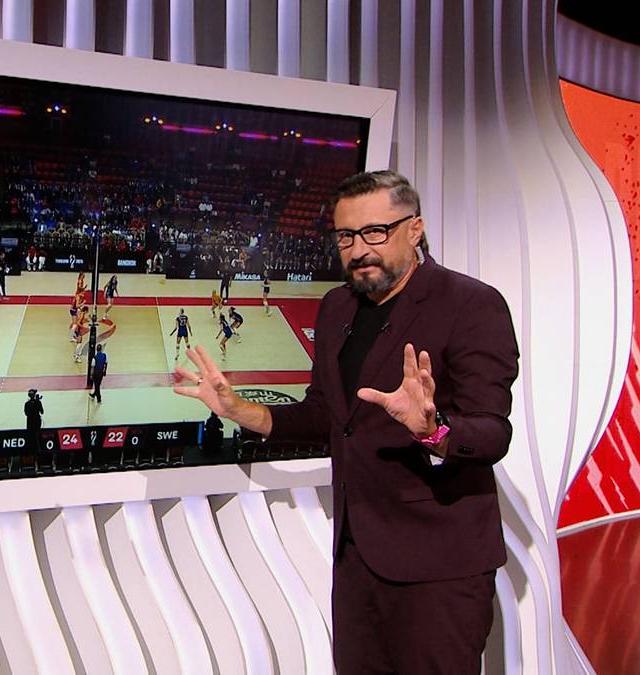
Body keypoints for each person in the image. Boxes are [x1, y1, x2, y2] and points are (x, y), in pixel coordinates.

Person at [173, 170, 519, 674]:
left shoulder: (470, 303)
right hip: (357, 560)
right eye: (346, 236)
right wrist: (238, 409)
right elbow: (326, 416)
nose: (359, 250)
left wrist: (433, 430)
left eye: (375, 232)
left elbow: (492, 432)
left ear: (415, 228)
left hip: (439, 568)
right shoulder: (337, 306)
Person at [24, 388, 44, 454]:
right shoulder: (37, 402)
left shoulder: (27, 403)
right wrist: (38, 402)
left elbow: (26, 413)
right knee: (37, 436)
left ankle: (31, 450)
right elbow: (42, 411)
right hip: (36, 422)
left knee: (31, 437)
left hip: (30, 422)